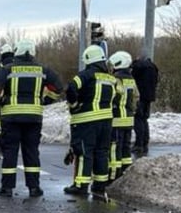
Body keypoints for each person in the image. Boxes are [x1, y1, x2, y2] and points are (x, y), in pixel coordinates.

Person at [0, 38, 63, 197]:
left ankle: (7, 188)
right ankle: (34, 188)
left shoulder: (8, 69)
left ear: (17, 52)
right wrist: (45, 100)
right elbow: (58, 87)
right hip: (33, 118)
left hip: (11, 118)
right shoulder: (43, 70)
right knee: (32, 152)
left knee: (10, 152)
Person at [64, 45, 116, 198]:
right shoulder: (110, 78)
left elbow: (71, 88)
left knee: (83, 153)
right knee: (102, 152)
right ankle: (99, 186)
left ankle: (80, 185)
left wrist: (74, 105)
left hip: (86, 120)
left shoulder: (85, 75)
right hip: (106, 121)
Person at [108, 51, 139, 181]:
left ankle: (114, 175)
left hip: (117, 119)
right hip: (129, 119)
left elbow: (111, 96)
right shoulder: (131, 79)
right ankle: (126, 174)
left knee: (115, 148)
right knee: (126, 148)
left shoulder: (115, 79)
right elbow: (136, 97)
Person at [131, 54, 159, 155]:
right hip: (149, 97)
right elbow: (156, 81)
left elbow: (133, 80)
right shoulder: (153, 66)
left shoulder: (138, 67)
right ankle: (144, 143)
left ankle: (139, 144)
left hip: (140, 97)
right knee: (144, 120)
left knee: (138, 120)